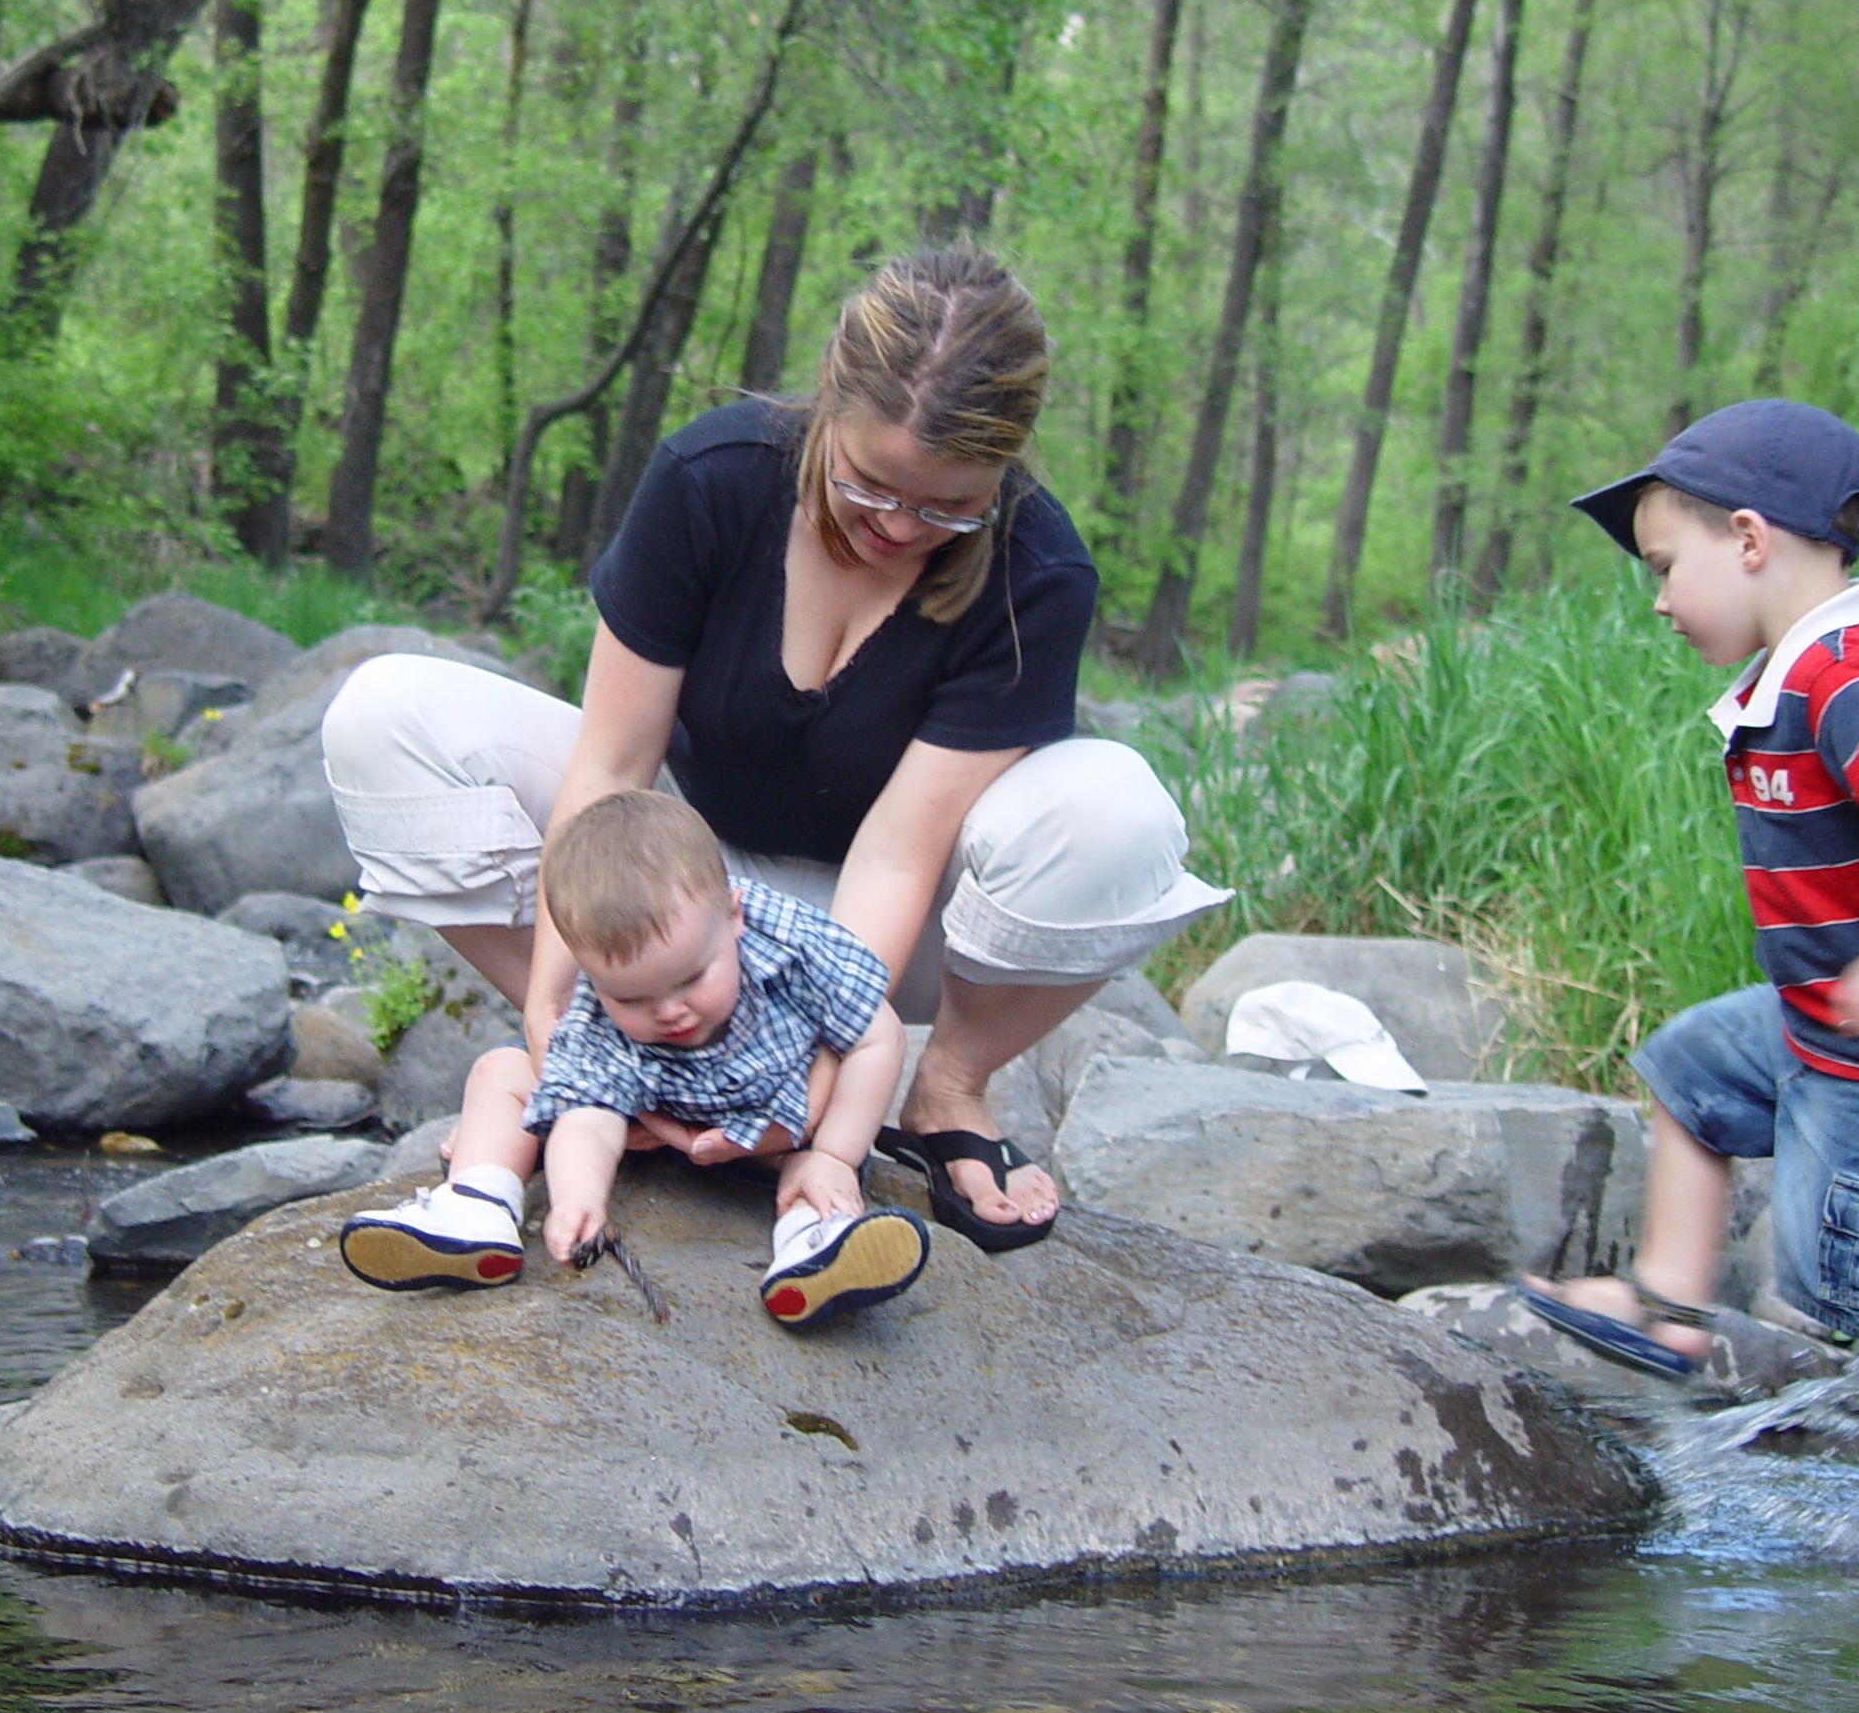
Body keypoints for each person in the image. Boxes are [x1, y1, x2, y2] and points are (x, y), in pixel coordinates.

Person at [321, 247, 1227, 1253]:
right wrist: (549, 1023)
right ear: (829, 403)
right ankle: (620, 1046)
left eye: (946, 508)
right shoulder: (710, 481)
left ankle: (944, 1093)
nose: (897, 526)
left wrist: (815, 1082)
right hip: (687, 891)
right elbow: (612, 772)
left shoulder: (1036, 571)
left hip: (897, 927)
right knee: (383, 713)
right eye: (869, 483)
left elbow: (895, 852)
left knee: (1120, 813)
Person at [1522, 398, 1859, 1578]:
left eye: (1662, 565)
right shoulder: (1803, 667)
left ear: (1749, 540)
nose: (1655, 597)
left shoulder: (1842, 675)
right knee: (1689, 1069)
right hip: (1810, 1016)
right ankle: (1667, 1302)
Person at [339, 790, 927, 1326]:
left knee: (813, 1170)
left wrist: (834, 1152)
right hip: (644, 1118)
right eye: (633, 997)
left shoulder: (790, 942)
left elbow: (880, 1034)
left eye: (693, 978)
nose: (670, 1012)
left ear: (735, 915)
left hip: (775, 1117)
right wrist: (578, 1196)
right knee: (502, 1074)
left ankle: (817, 1244)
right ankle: (477, 1204)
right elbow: (587, 1120)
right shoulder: (595, 1007)